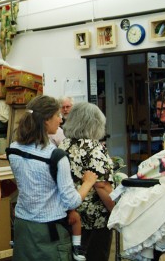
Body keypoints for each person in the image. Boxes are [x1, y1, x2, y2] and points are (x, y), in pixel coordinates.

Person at [8, 95, 97, 261]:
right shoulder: (55, 157)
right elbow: (71, 201)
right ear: (46, 120)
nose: (60, 119)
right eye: (57, 115)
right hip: (49, 231)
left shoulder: (13, 150)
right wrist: (87, 183)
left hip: (22, 225)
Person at [59, 102, 115, 261]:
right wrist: (117, 211)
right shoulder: (94, 148)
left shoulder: (64, 145)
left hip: (71, 214)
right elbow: (101, 185)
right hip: (94, 219)